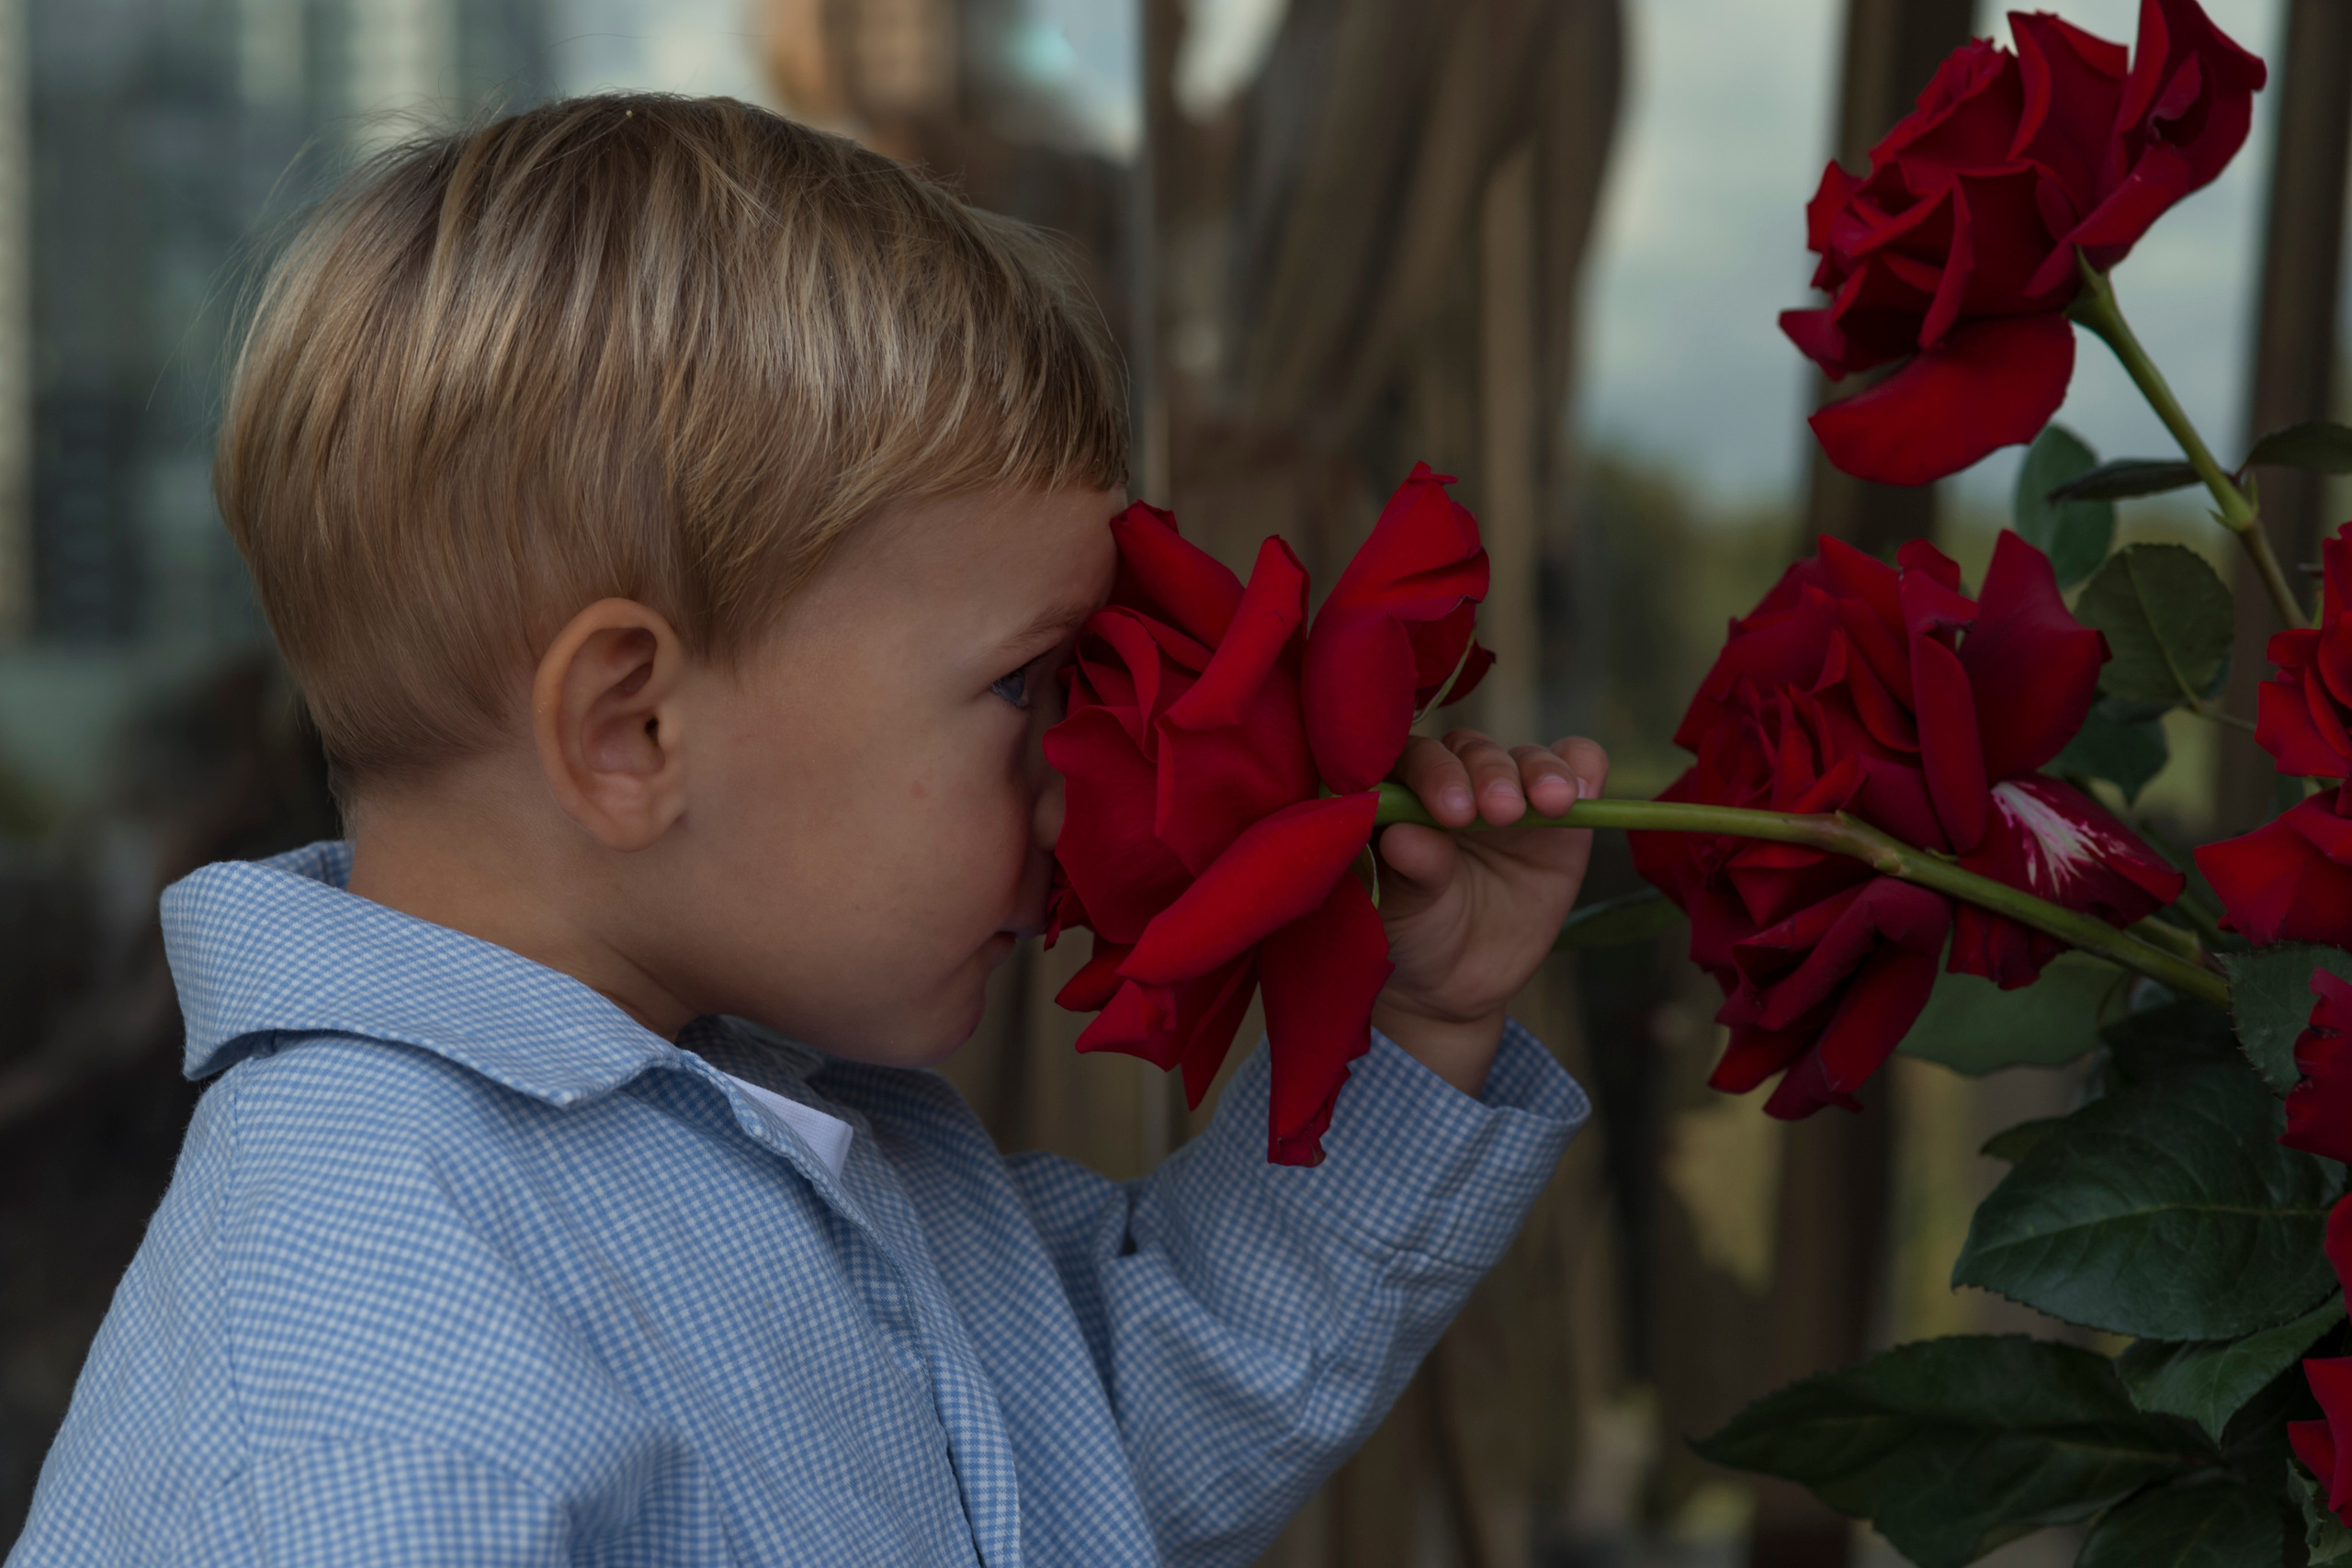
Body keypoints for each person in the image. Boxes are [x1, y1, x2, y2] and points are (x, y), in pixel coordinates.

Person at [7, 96, 1603, 1567]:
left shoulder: (761, 1107)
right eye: (1022, 684)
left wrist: (1416, 1028)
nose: (1075, 764)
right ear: (633, 729)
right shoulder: (365, 1373)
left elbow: (1096, 1450)